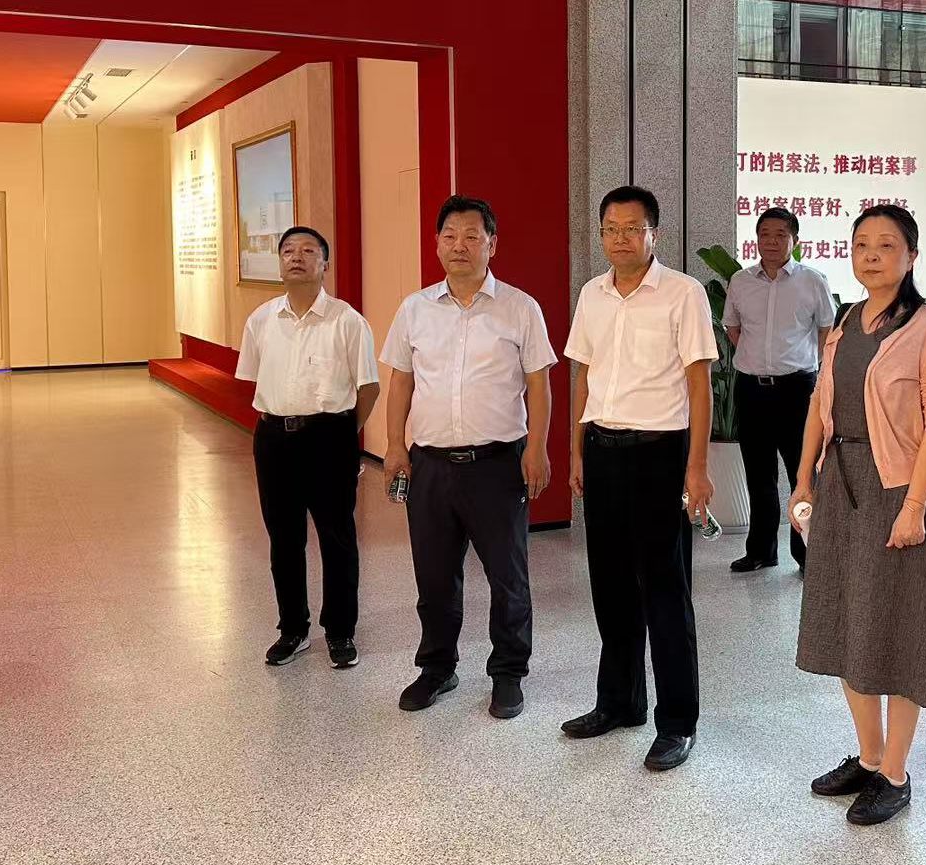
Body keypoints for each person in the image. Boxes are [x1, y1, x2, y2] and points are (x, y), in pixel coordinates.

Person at [791, 205, 926, 826]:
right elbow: (821, 403)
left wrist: (915, 507)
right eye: (861, 243)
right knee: (848, 621)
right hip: (841, 484)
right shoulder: (845, 321)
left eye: (886, 245)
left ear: (911, 256)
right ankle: (867, 757)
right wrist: (803, 479)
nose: (870, 255)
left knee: (898, 628)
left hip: (898, 489)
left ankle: (894, 772)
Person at [561, 186, 717, 772]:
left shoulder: (683, 293)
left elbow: (699, 385)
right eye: (611, 228)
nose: (620, 238)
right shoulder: (592, 294)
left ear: (654, 233)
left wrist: (696, 468)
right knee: (609, 584)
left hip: (660, 455)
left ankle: (677, 722)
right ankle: (620, 702)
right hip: (601, 448)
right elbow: (583, 375)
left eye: (632, 228)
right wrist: (576, 450)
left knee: (665, 589)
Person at [381, 196, 556, 719]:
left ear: (492, 244)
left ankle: (508, 673)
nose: (460, 245)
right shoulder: (415, 309)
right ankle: (437, 667)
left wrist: (537, 449)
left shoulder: (520, 308)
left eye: (472, 236)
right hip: (430, 465)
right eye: (450, 236)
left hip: (498, 464)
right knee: (434, 576)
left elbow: (539, 386)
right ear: (437, 244)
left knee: (508, 576)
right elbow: (401, 382)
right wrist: (395, 446)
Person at [234, 226, 379, 669]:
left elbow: (368, 388)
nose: (296, 257)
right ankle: (292, 628)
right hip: (274, 438)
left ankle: (340, 630)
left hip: (329, 437)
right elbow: (252, 380)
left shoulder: (347, 321)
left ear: (324, 264)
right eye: (288, 251)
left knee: (337, 537)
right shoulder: (261, 320)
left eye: (308, 250)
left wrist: (343, 435)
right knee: (284, 538)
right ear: (280, 262)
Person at [722, 206, 836, 573]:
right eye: (764, 234)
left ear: (794, 240)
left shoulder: (812, 281)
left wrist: (814, 367)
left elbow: (826, 330)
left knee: (803, 474)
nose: (771, 242)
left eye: (780, 235)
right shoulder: (741, 281)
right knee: (759, 474)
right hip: (751, 389)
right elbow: (733, 328)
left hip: (797, 389)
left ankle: (807, 554)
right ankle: (761, 550)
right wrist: (757, 360)